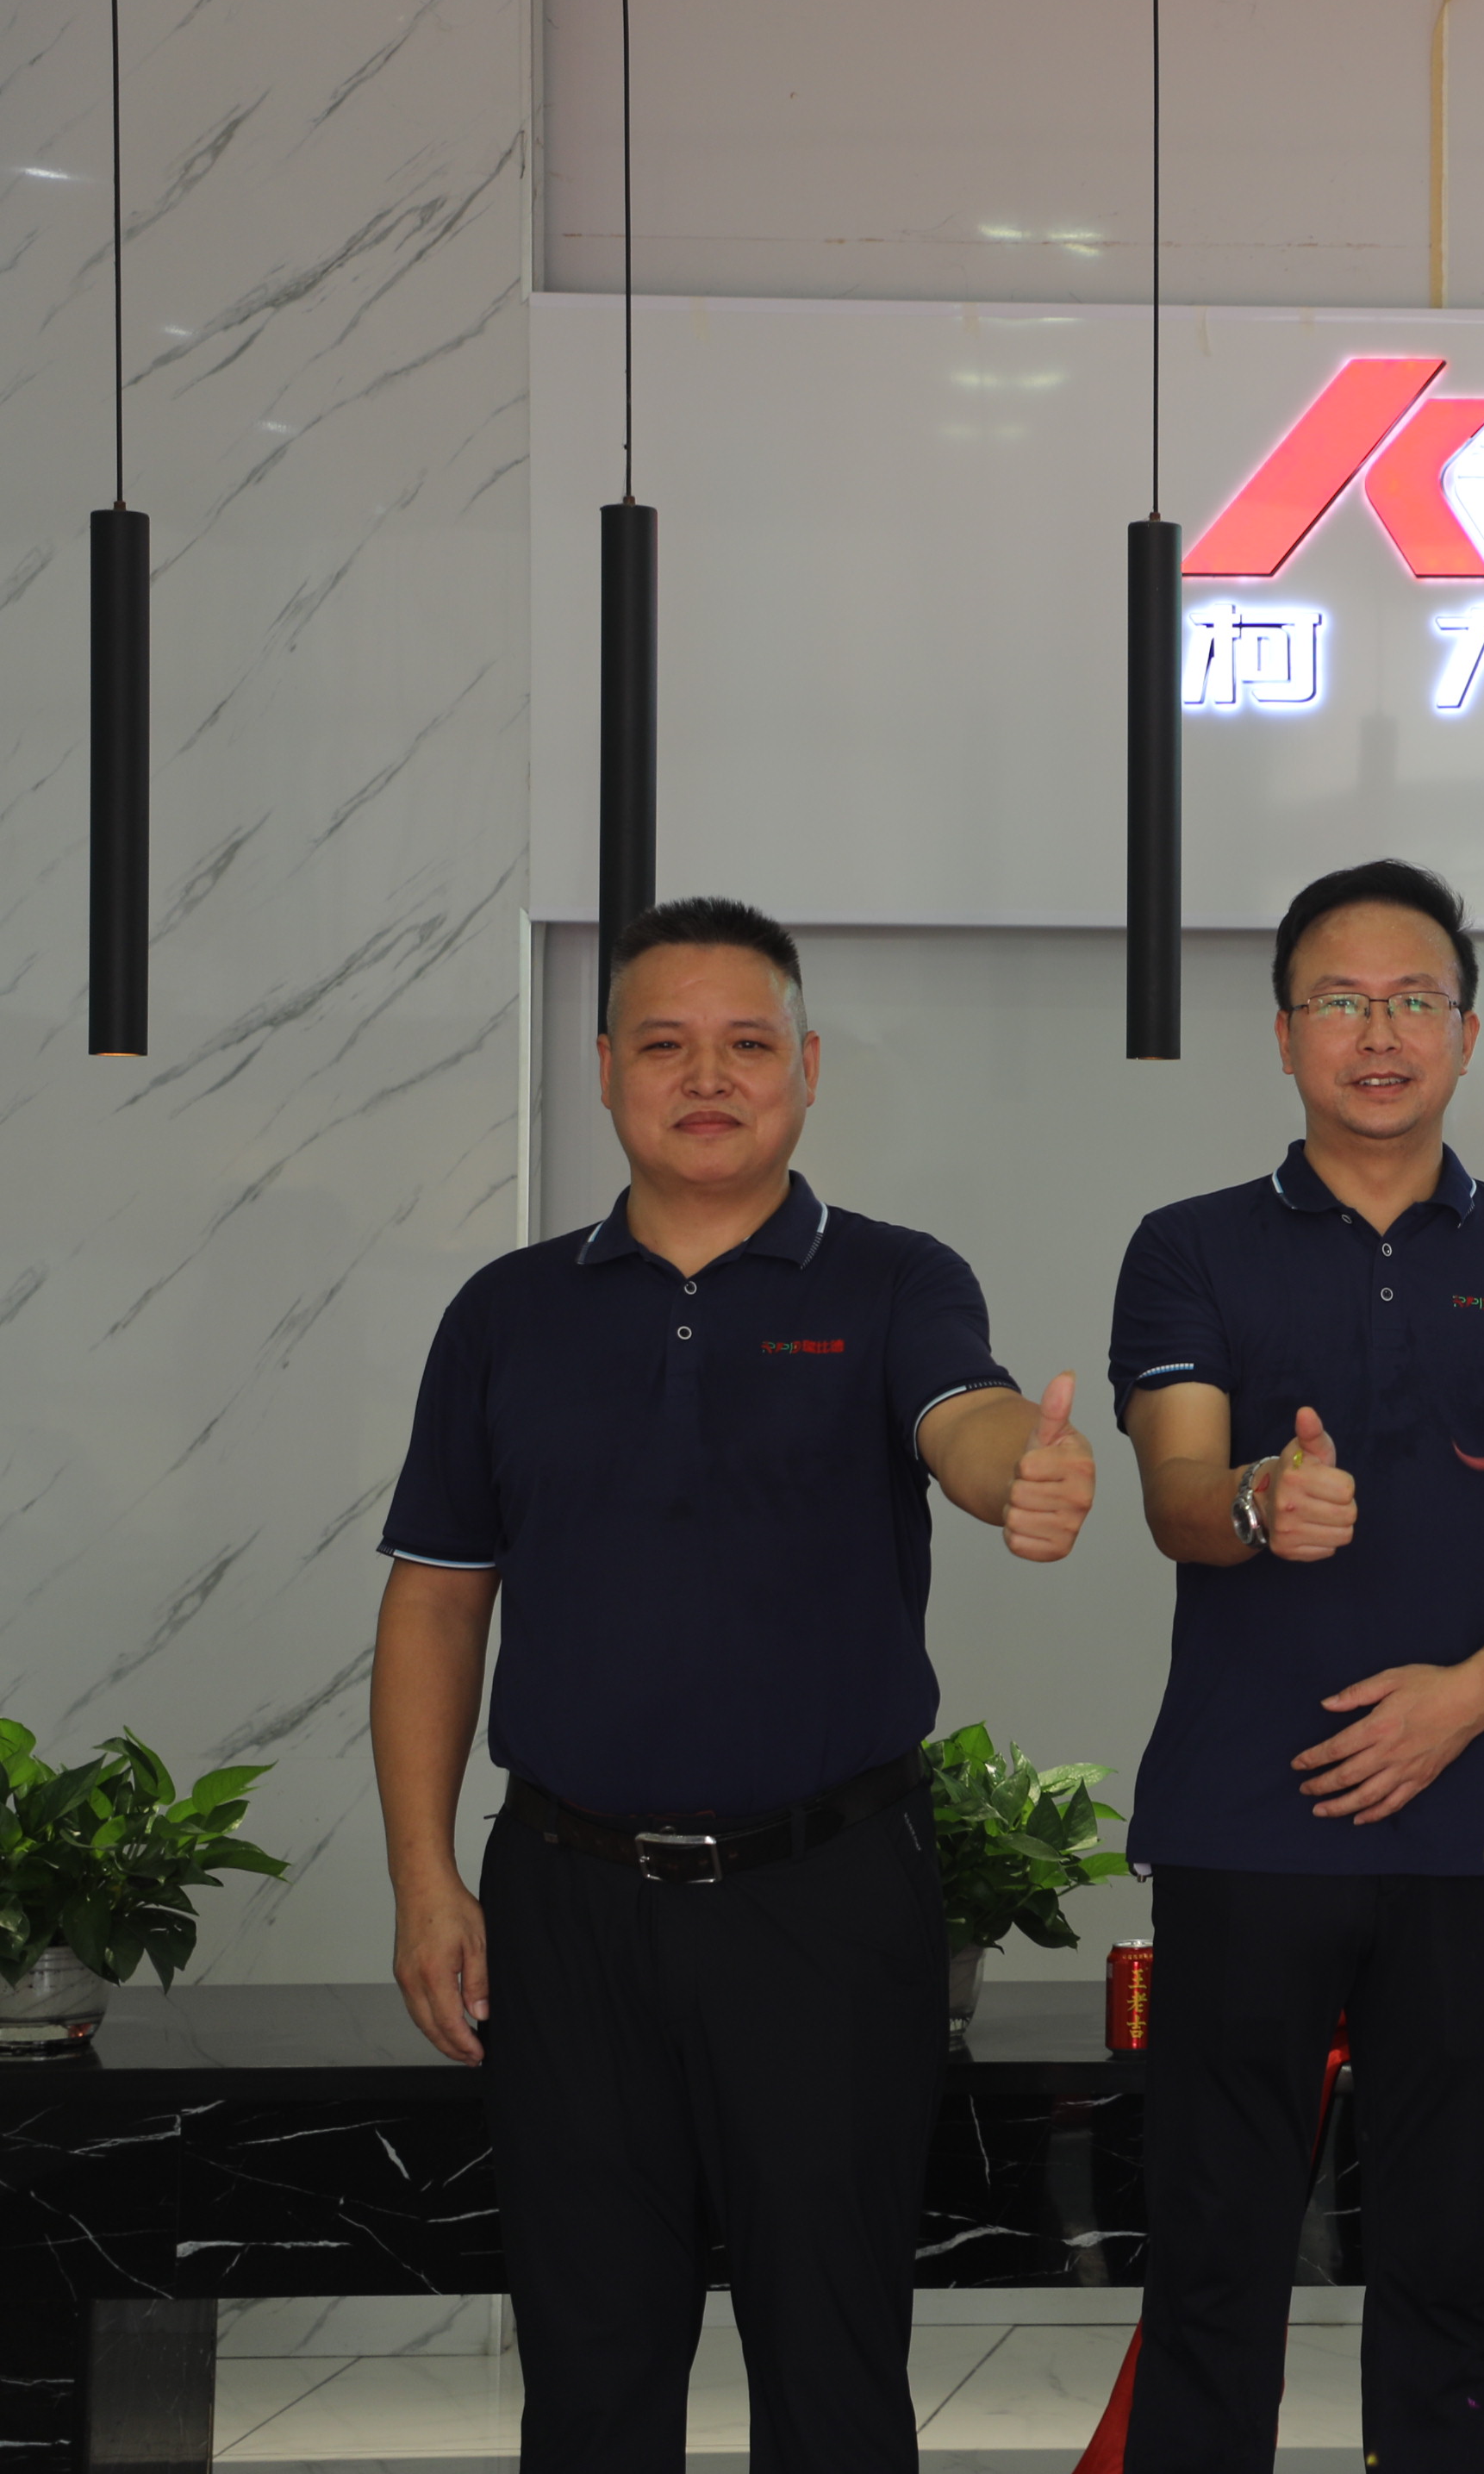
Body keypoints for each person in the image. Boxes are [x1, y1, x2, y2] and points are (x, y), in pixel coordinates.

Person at [371, 896, 1097, 2474]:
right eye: (666, 1045)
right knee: (589, 2375)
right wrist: (426, 1879)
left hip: (825, 1902)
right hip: (567, 1903)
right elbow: (434, 1600)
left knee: (832, 2372)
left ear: (808, 1070)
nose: (708, 1078)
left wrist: (1018, 1476)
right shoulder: (505, 1313)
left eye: (748, 1044)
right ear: (606, 1069)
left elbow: (965, 1414)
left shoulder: (895, 1281)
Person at [1110, 859, 1484, 2474]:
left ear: (1468, 1033)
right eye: (1340, 1001)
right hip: (1242, 1826)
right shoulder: (1190, 1247)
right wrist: (1258, 1504)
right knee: (1215, 2267)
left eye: (1416, 1000)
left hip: (1465, 1833)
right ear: (1284, 1034)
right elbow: (1176, 1493)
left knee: (1443, 2268)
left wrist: (1469, 1699)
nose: (1381, 1032)